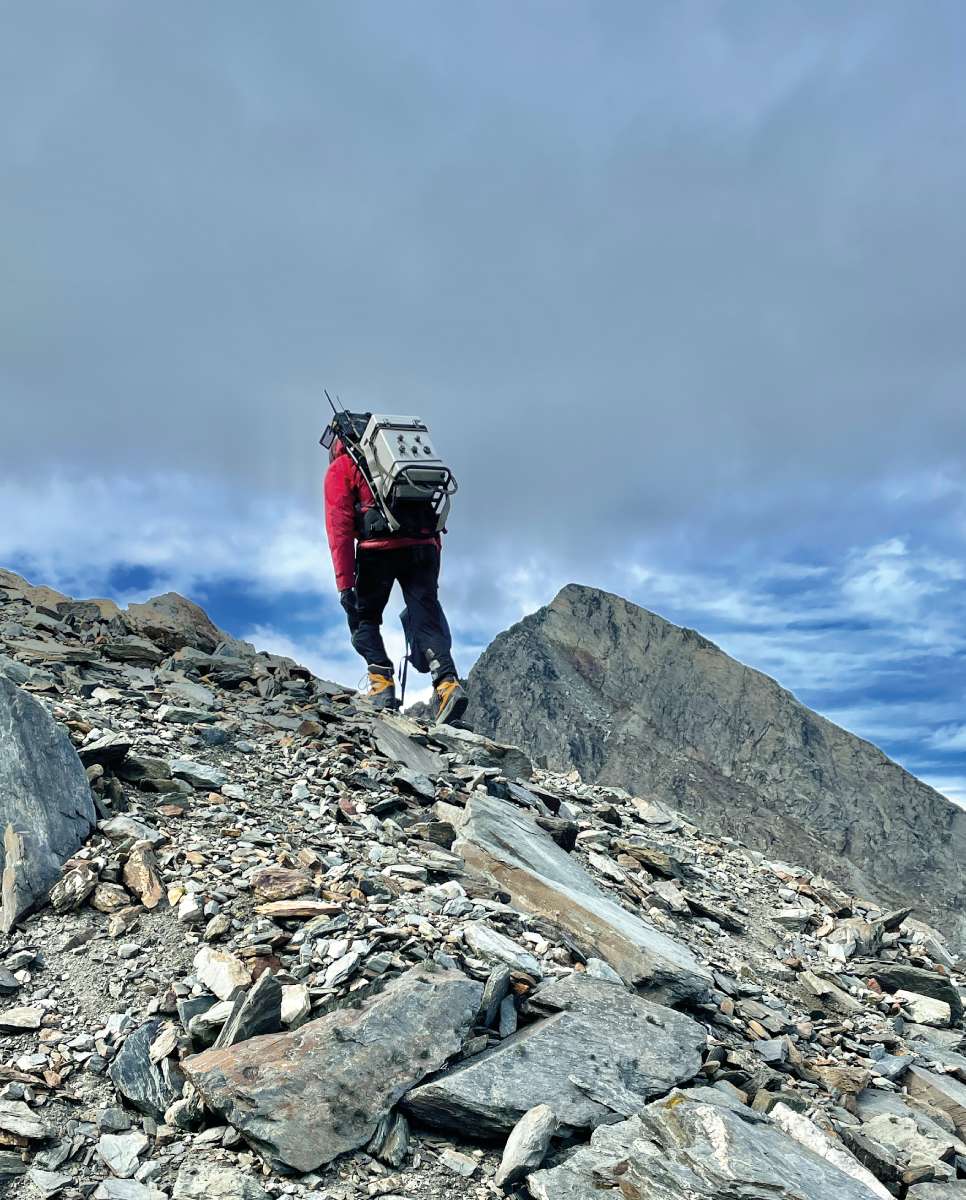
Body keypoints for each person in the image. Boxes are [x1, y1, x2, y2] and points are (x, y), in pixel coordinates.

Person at [324, 433, 468, 724]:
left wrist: (345, 584)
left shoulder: (343, 466)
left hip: (378, 550)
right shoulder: (403, 462)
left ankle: (381, 686)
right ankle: (447, 685)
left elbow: (338, 526)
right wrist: (432, 558)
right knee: (425, 616)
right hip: (424, 546)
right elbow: (430, 514)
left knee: (364, 617)